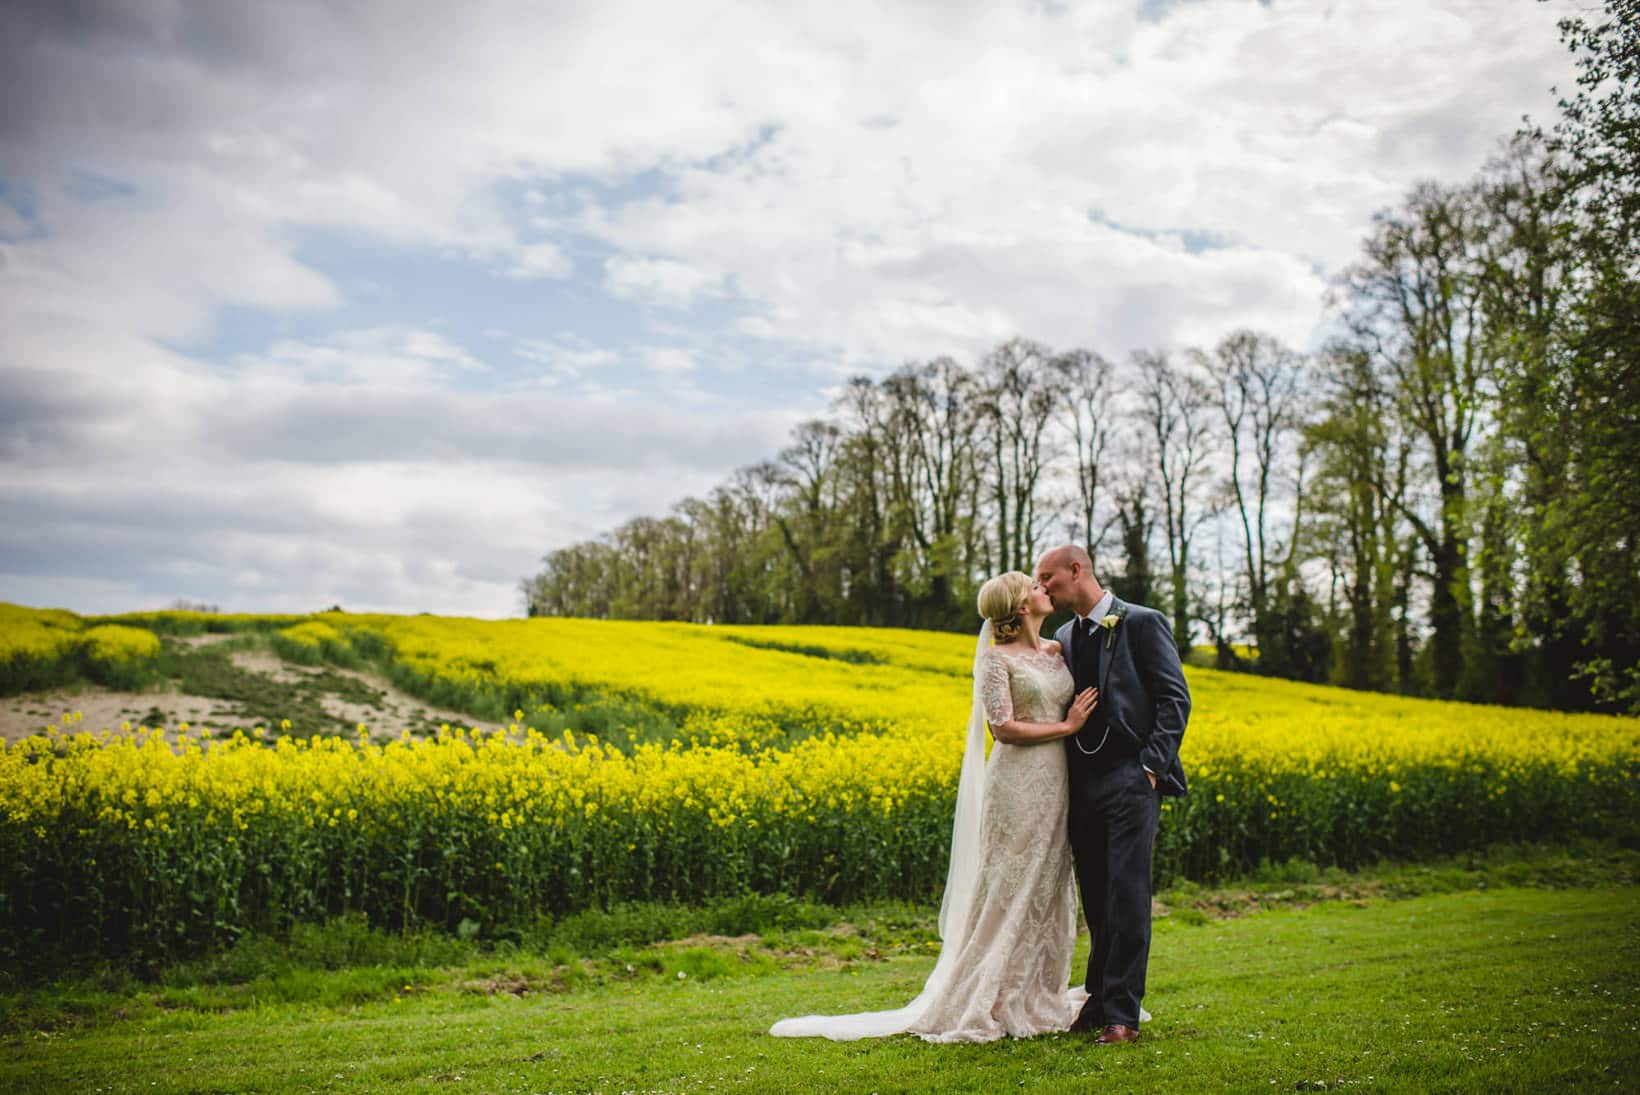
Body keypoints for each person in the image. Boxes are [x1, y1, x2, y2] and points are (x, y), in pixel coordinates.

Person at [769, 570, 1103, 1042]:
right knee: (1009, 883)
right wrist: (1066, 728)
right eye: (1033, 586)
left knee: (1047, 882)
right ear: (1020, 605)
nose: (1042, 588)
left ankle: (1035, 992)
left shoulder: (1055, 651)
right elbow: (1002, 728)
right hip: (1017, 782)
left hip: (1058, 781)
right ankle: (987, 995)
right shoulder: (994, 660)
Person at [1037, 544, 1190, 1046]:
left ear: (1076, 570)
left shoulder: (1142, 623)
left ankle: (1124, 1014)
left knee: (1127, 896)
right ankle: (1098, 1001)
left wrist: (1149, 768)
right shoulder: (1063, 635)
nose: (1043, 588)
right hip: (1082, 786)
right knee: (1098, 900)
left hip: (1131, 779)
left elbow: (1175, 698)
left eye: (1048, 577)